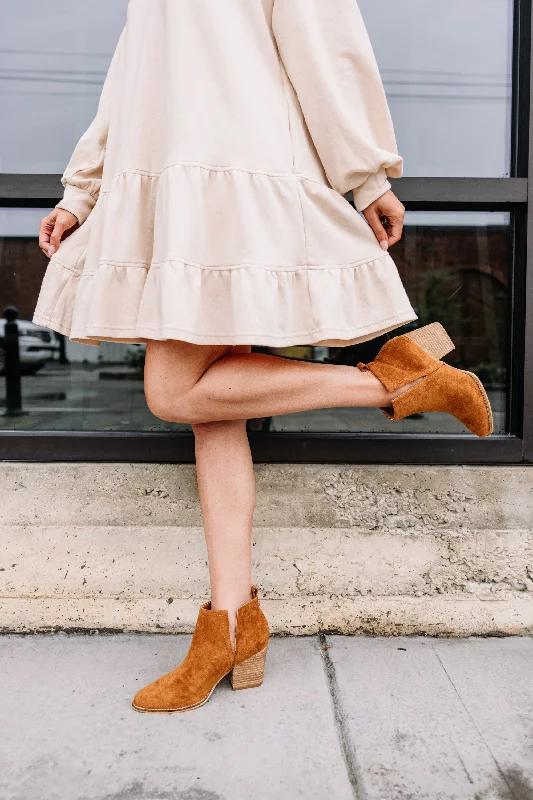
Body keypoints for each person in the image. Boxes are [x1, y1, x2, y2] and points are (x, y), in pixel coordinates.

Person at [35, 0, 493, 714]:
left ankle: (394, 380)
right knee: (212, 412)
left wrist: (366, 177)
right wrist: (82, 190)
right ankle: (229, 625)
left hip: (236, 174)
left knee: (174, 392)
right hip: (176, 178)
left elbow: (325, 43)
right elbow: (132, 75)